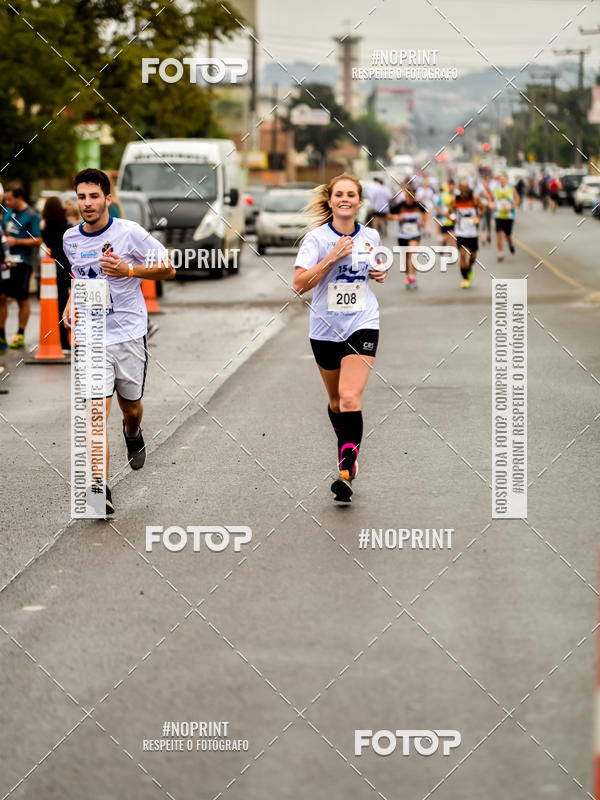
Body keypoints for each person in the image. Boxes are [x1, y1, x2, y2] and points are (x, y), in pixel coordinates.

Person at [62, 168, 175, 515]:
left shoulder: (130, 233)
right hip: (91, 337)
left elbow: (168, 268)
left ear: (108, 198)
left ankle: (133, 432)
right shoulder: (70, 239)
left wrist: (129, 270)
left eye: (94, 196)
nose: (87, 203)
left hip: (128, 335)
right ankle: (99, 489)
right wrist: (71, 301)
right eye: (82, 197)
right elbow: (78, 274)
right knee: (95, 415)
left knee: (131, 408)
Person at [293, 173, 387, 503]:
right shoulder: (316, 240)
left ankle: (345, 472)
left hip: (362, 321)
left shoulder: (371, 236)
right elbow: (299, 284)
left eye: (351, 194)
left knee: (349, 397)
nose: (345, 199)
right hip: (324, 328)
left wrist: (379, 272)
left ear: (359, 202)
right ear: (331, 201)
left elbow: (375, 268)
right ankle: (347, 449)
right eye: (339, 194)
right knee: (335, 402)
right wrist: (332, 257)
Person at [0, 182, 42, 350]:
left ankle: (20, 334)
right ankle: (1, 336)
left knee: (21, 298)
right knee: (2, 297)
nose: (6, 203)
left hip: (23, 262)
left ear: (19, 198)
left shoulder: (31, 215)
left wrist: (16, 241)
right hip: (5, 262)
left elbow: (38, 240)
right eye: (5, 199)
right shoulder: (8, 213)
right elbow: (5, 231)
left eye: (9, 199)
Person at [41, 196, 71, 351]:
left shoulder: (45, 228)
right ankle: (72, 339)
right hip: (66, 265)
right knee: (71, 303)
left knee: (58, 306)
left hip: (52, 268)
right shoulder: (66, 227)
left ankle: (61, 341)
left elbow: (46, 242)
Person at [388, 187, 426, 289]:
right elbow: (388, 215)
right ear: (405, 196)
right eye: (408, 196)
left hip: (415, 234)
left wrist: (423, 221)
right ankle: (407, 276)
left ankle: (413, 278)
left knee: (412, 254)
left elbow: (426, 212)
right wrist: (397, 217)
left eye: (412, 197)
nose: (410, 199)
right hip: (402, 236)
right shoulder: (400, 206)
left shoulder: (418, 205)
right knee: (405, 258)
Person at [450, 181, 485, 289]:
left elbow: (483, 209)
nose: (464, 189)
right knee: (463, 254)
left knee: (473, 257)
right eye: (462, 187)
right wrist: (453, 218)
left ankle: (469, 268)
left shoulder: (475, 198)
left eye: (466, 187)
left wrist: (478, 217)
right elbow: (450, 211)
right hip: (460, 232)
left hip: (472, 232)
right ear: (459, 188)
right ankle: (464, 278)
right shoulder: (455, 199)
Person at [493, 173, 519, 261]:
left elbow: (517, 200)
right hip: (498, 215)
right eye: (500, 179)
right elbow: (491, 199)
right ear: (499, 180)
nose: (502, 180)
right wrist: (491, 204)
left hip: (509, 216)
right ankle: (500, 252)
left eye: (504, 179)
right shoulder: (495, 190)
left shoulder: (511, 189)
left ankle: (510, 243)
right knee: (499, 234)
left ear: (506, 180)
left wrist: (511, 207)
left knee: (508, 235)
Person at [433, 178, 457, 247]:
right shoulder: (443, 195)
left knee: (452, 237)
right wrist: (444, 213)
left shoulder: (457, 195)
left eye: (452, 185)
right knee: (445, 240)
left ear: (454, 186)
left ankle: (450, 253)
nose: (451, 187)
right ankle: (443, 244)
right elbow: (436, 206)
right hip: (445, 220)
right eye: (449, 185)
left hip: (454, 220)